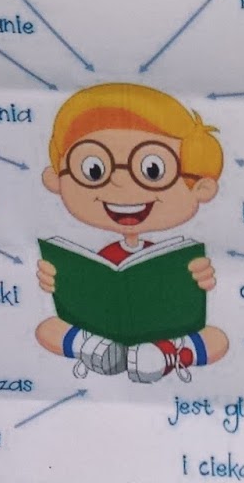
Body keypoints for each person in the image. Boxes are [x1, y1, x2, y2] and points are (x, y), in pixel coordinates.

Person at [36, 82, 229, 384]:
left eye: (153, 170)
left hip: (166, 331)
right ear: (56, 178)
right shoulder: (100, 257)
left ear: (201, 187)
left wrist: (200, 279)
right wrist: (56, 280)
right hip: (99, 328)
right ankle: (93, 348)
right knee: (47, 328)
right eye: (93, 170)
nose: (120, 183)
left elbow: (189, 295)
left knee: (216, 339)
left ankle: (165, 354)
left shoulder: (172, 256)